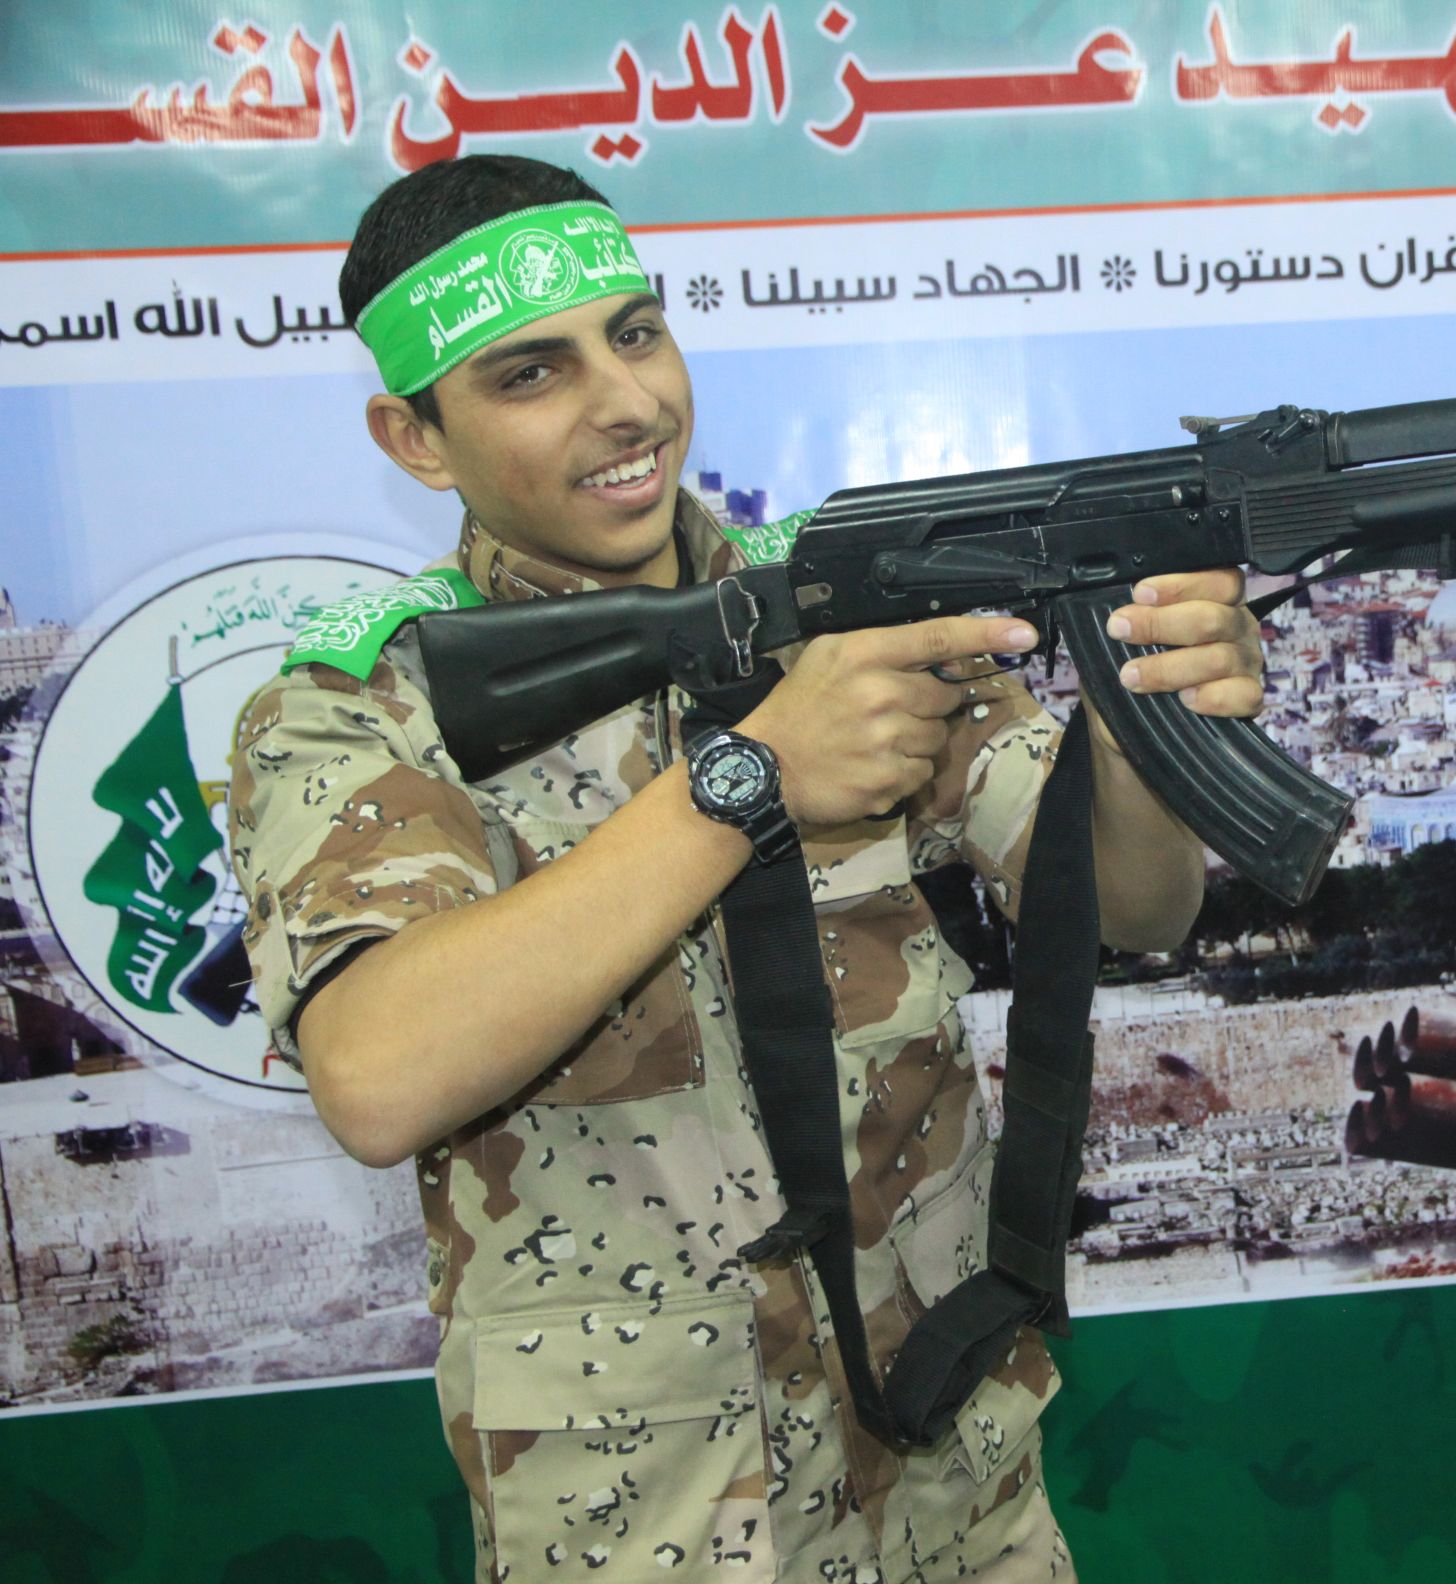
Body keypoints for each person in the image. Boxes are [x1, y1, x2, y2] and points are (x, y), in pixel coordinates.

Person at [228, 156, 1266, 1582]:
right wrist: (750, 776)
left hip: (952, 1471)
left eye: (637, 335)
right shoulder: (362, 709)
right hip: (649, 1514)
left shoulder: (846, 609)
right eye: (533, 374)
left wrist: (1147, 712)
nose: (626, 404)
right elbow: (377, 1075)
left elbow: (1141, 906)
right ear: (415, 438)